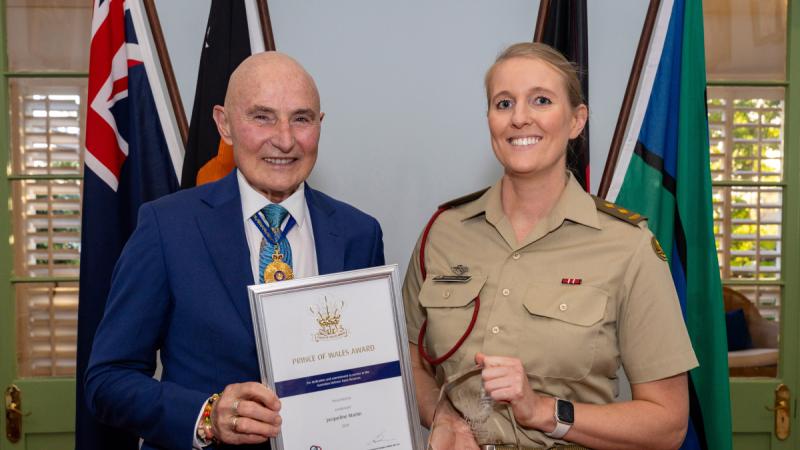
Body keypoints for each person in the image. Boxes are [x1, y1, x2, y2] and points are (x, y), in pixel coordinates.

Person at [403, 42, 698, 450]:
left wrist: (543, 410)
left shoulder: (627, 247)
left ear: (577, 120)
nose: (520, 118)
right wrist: (445, 418)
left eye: (541, 100)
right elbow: (409, 360)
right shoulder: (443, 232)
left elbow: (666, 424)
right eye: (503, 103)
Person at [85, 52, 385, 450]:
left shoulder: (359, 233)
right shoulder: (167, 227)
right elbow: (107, 380)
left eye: (301, 118)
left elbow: (370, 374)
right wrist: (207, 415)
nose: (284, 139)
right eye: (262, 117)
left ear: (320, 124)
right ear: (224, 125)